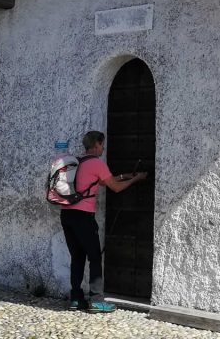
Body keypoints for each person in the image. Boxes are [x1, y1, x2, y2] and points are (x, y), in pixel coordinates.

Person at [62, 130, 147, 313]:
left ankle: (76, 299)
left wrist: (127, 176)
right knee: (94, 257)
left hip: (67, 215)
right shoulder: (97, 163)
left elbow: (102, 182)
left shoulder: (79, 162)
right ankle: (96, 300)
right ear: (97, 144)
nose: (103, 148)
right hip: (83, 217)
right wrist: (136, 180)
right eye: (102, 144)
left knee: (77, 257)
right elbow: (114, 188)